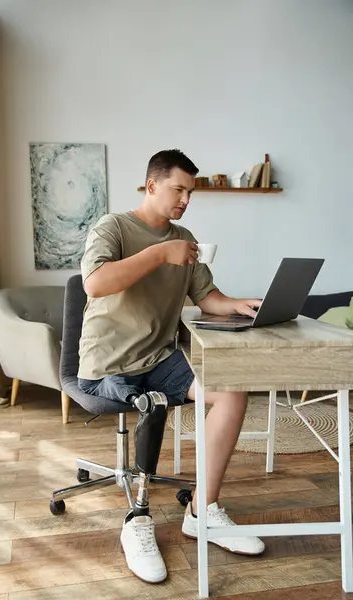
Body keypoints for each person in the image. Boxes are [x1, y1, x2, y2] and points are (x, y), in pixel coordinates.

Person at [78, 149, 265, 584]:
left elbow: (207, 297)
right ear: (151, 186)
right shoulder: (114, 227)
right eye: (178, 189)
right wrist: (162, 254)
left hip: (160, 358)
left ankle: (202, 510)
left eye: (190, 192)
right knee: (154, 403)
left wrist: (239, 305)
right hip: (109, 364)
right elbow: (96, 282)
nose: (185, 199)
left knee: (231, 391)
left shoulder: (184, 235)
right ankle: (138, 520)